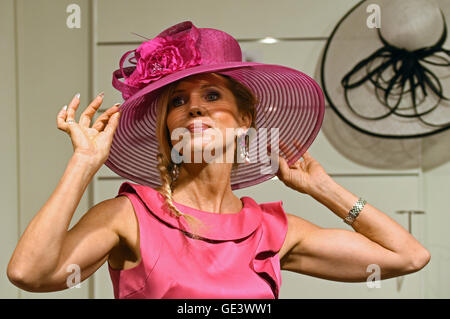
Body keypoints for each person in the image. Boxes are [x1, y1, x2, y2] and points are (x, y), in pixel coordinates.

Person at [7, 21, 430, 299]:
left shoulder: (273, 231)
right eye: (178, 100)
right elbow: (29, 273)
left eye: (212, 96)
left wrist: (323, 189)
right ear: (168, 125)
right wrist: (83, 163)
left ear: (245, 118)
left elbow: (408, 256)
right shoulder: (128, 215)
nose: (194, 109)